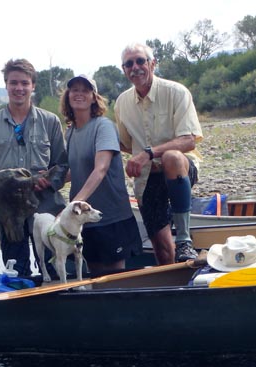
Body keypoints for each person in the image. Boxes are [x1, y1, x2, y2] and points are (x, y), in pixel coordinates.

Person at [0, 58, 68, 277]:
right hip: (8, 211)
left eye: (24, 83)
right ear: (6, 85)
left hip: (45, 206)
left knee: (55, 266)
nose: (19, 88)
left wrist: (51, 181)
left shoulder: (50, 121)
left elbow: (61, 163)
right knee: (16, 272)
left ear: (33, 86)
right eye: (13, 83)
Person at [114, 43, 203, 265]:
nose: (135, 67)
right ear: (124, 70)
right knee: (162, 252)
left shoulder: (176, 92)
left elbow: (189, 139)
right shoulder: (122, 103)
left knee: (170, 157)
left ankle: (184, 240)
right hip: (147, 178)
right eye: (129, 64)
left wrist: (148, 153)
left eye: (140, 61)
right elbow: (125, 143)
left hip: (180, 167)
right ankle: (175, 289)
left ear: (152, 64)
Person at [60, 75, 141, 276]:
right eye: (74, 89)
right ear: (68, 96)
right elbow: (75, 170)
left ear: (94, 97)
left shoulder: (103, 126)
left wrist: (75, 204)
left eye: (85, 90)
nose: (79, 94)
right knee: (93, 274)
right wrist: (46, 182)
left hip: (111, 216)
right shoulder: (70, 133)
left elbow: (100, 169)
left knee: (115, 278)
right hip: (84, 219)